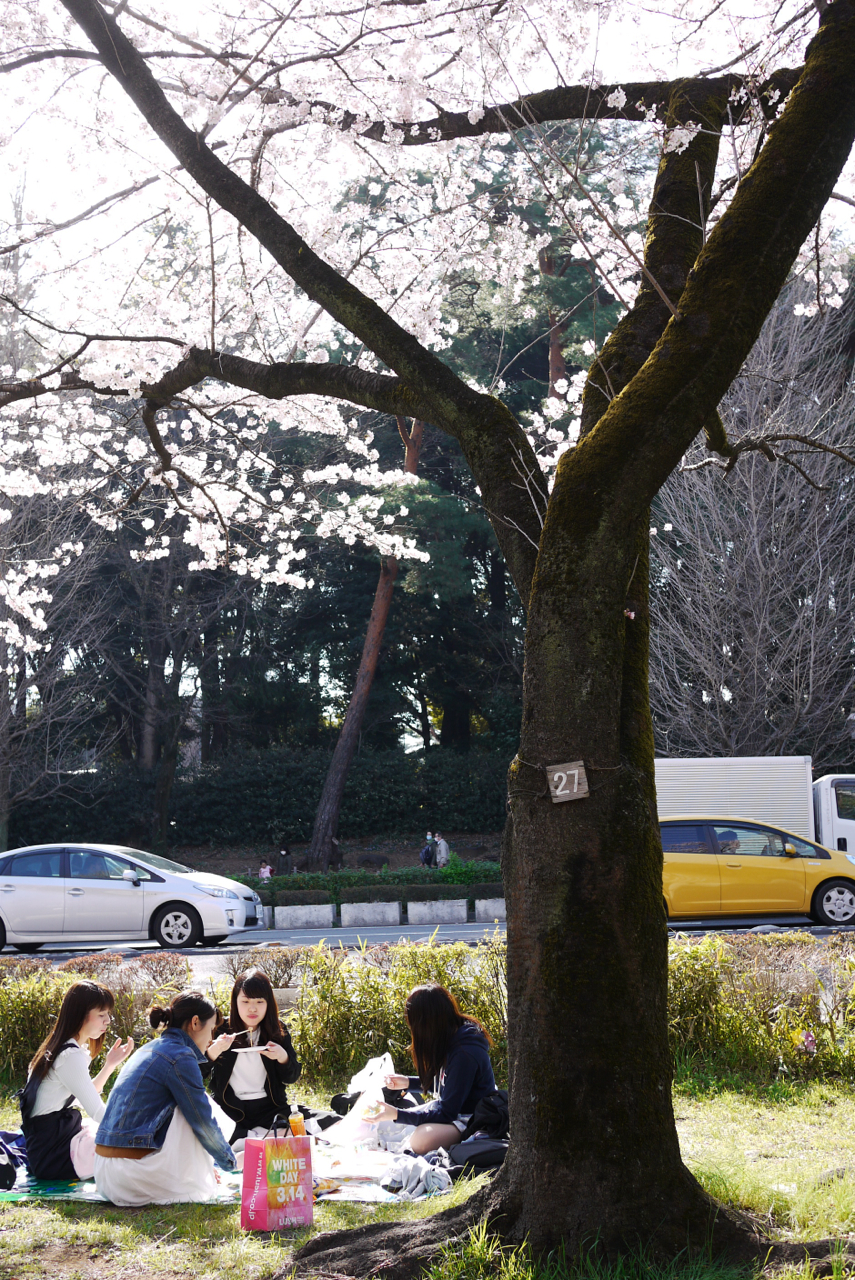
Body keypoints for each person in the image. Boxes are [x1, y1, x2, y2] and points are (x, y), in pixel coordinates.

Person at [93, 991, 237, 1205]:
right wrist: (229, 1164)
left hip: (105, 1174)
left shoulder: (148, 1049)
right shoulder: (181, 1056)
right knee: (197, 1106)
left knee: (190, 1102)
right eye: (212, 1029)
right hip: (131, 1177)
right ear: (196, 1023)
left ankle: (197, 1174)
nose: (211, 1038)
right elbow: (202, 1120)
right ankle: (196, 1176)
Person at [20, 980, 134, 1181]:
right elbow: (98, 1111)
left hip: (48, 1145)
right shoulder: (69, 1056)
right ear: (80, 1015)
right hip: (53, 1155)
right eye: (101, 1015)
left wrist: (109, 1065)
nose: (107, 1020)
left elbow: (84, 1094)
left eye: (108, 1014)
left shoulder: (61, 1046)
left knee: (106, 1134)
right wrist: (135, 1132)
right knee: (124, 1149)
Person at [365, 984, 496, 1155]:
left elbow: (447, 1113)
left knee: (420, 1140)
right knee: (380, 1124)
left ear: (426, 1025)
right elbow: (448, 1085)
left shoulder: (465, 1053)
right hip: (452, 1112)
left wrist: (397, 1114)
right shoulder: (451, 1037)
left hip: (471, 1120)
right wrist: (407, 1082)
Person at [204, 968, 301, 1143]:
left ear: (268, 1003)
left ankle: (252, 1139)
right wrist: (214, 1050)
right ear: (235, 1002)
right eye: (246, 1001)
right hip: (229, 1109)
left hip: (270, 1108)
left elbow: (292, 1077)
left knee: (318, 1123)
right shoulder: (220, 1030)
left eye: (259, 1001)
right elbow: (195, 1073)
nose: (252, 1008)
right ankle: (258, 1138)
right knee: (202, 1131)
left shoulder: (277, 1030)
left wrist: (282, 1057)